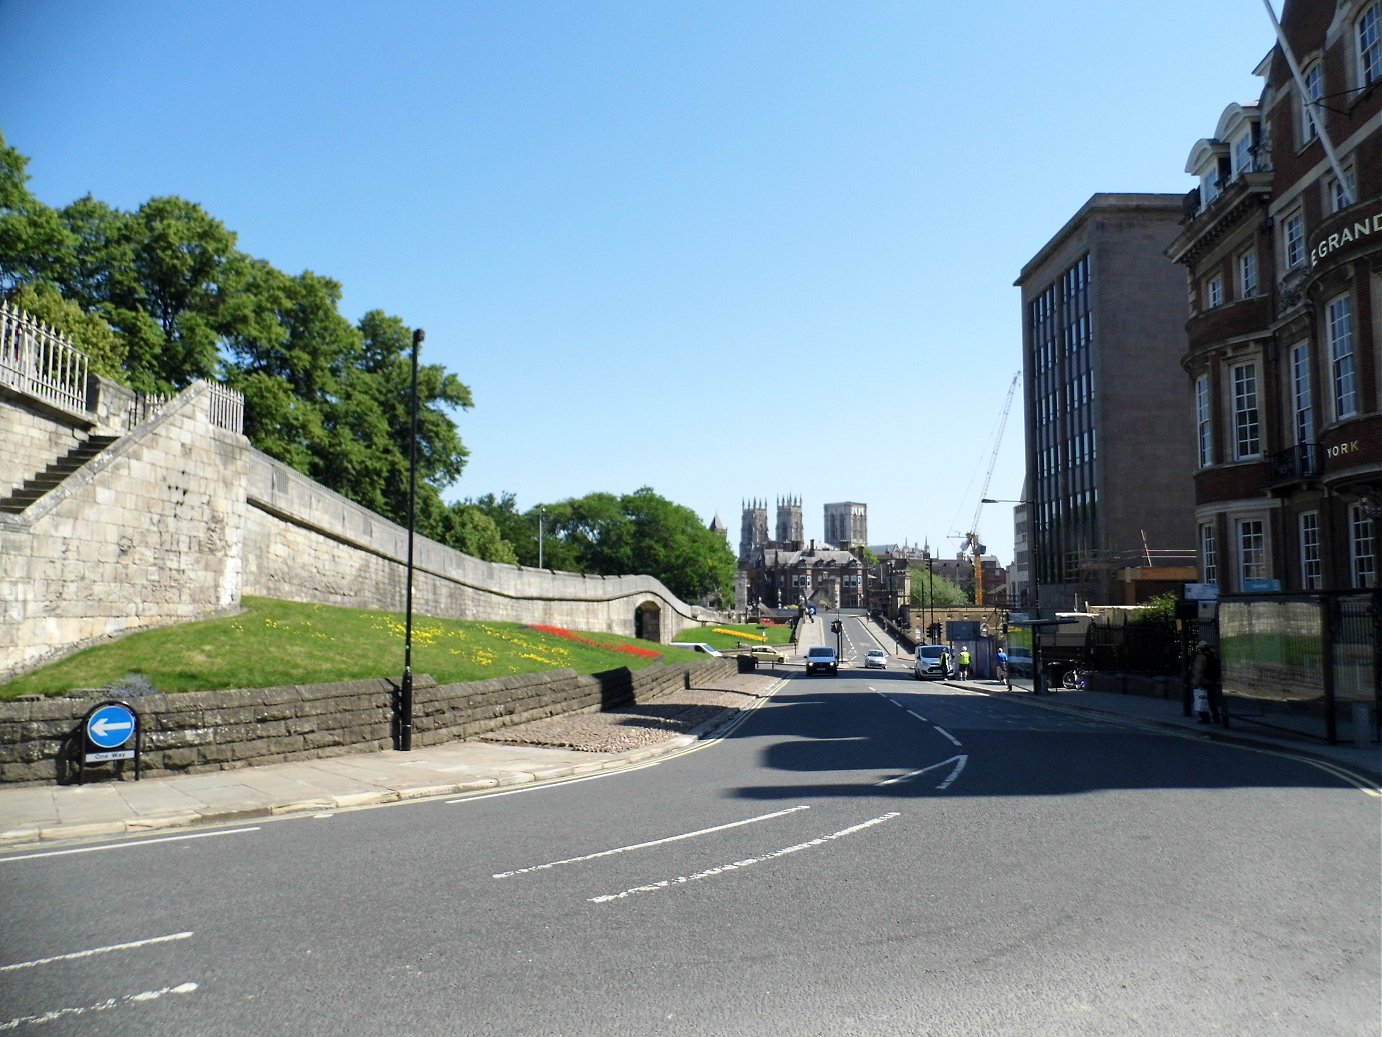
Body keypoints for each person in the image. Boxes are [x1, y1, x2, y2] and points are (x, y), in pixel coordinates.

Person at [1190, 642, 1223, 724]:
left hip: (1203, 681)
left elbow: (1199, 670)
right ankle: (1216, 717)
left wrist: (1196, 682)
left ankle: (1205, 718)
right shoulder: (1213, 656)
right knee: (1211, 700)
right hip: (1212, 681)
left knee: (1201, 700)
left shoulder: (1201, 657)